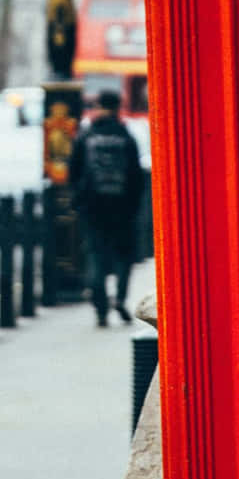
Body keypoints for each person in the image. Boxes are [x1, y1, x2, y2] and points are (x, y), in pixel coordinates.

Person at [68, 88, 146, 327]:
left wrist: (79, 200)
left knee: (96, 255)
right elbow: (136, 176)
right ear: (117, 108)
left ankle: (100, 306)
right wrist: (134, 206)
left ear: (99, 106)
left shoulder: (86, 136)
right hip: (122, 208)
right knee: (124, 257)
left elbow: (73, 172)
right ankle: (120, 299)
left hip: (93, 209)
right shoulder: (126, 137)